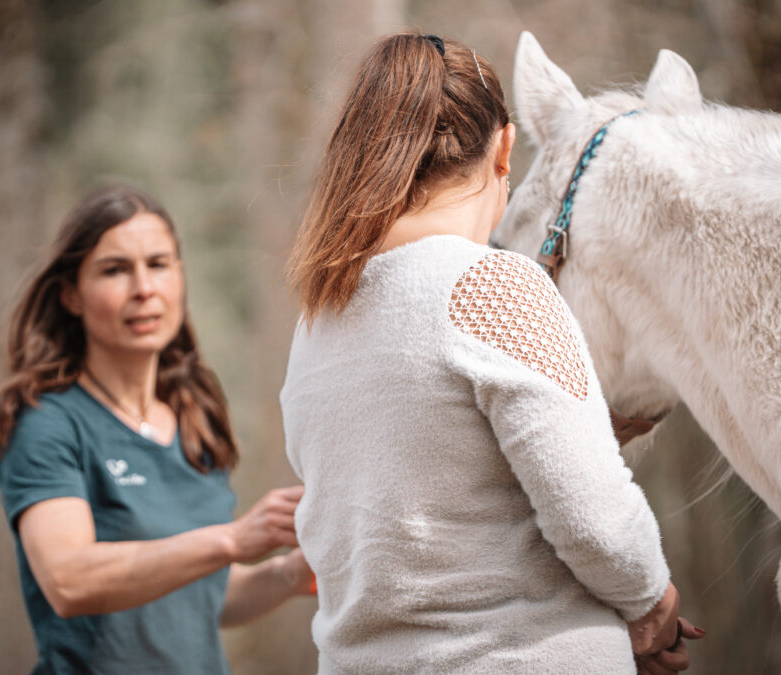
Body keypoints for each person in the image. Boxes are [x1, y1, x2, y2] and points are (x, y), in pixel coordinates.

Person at [281, 32, 703, 674]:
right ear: (505, 148)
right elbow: (595, 519)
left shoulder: (317, 321)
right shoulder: (495, 286)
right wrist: (652, 603)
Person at [0, 185, 313, 674]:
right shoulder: (47, 422)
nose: (144, 288)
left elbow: (202, 597)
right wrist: (232, 539)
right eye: (115, 270)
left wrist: (290, 573)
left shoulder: (194, 416)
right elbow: (68, 581)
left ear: (180, 277)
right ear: (70, 295)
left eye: (158, 264)